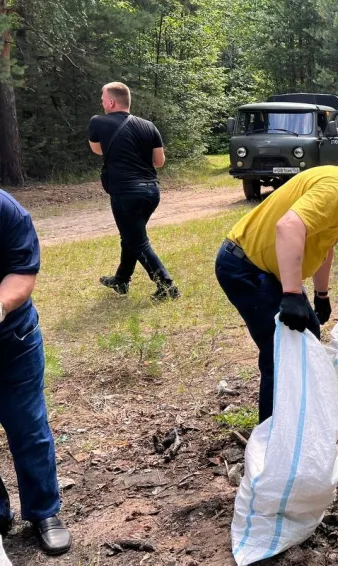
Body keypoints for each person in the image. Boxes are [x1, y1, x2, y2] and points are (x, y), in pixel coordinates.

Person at [216, 149, 338, 423]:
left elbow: (323, 246)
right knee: (281, 351)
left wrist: (322, 294)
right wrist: (293, 294)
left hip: (269, 270)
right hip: (246, 267)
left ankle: (306, 410)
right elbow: (289, 226)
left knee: (308, 330)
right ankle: (276, 433)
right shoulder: (337, 190)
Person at [0, 190, 72, 556]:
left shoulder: (6, 210)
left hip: (11, 339)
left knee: (28, 426)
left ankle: (44, 513)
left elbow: (22, 273)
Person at [88, 81, 180, 301]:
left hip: (125, 193)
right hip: (151, 191)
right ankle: (121, 279)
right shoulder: (149, 126)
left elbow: (98, 150)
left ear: (111, 101)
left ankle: (167, 286)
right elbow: (159, 162)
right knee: (131, 235)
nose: (101, 103)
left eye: (102, 99)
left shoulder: (98, 122)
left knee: (137, 240)